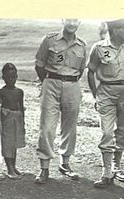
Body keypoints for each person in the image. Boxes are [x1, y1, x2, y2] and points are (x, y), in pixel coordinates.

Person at [34, 19, 86, 184]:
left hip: (72, 85)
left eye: (75, 20)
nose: (72, 23)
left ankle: (65, 164)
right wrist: (47, 82)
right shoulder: (50, 39)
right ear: (63, 20)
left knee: (69, 127)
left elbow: (81, 69)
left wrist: (70, 83)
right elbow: (39, 64)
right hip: (51, 83)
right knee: (48, 126)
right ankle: (44, 167)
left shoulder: (81, 45)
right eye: (69, 19)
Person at [88, 19, 124, 188]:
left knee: (123, 131)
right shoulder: (99, 48)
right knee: (107, 132)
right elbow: (91, 72)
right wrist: (96, 96)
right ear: (114, 30)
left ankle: (117, 166)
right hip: (106, 92)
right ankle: (106, 172)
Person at [0, 63, 26, 179]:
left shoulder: (19, 91)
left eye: (13, 76)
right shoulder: (2, 92)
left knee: (14, 144)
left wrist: (23, 123)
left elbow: (21, 106)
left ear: (17, 76)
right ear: (3, 77)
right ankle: (9, 168)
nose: (11, 80)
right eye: (8, 77)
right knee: (7, 144)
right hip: (7, 119)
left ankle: (14, 166)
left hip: (17, 118)